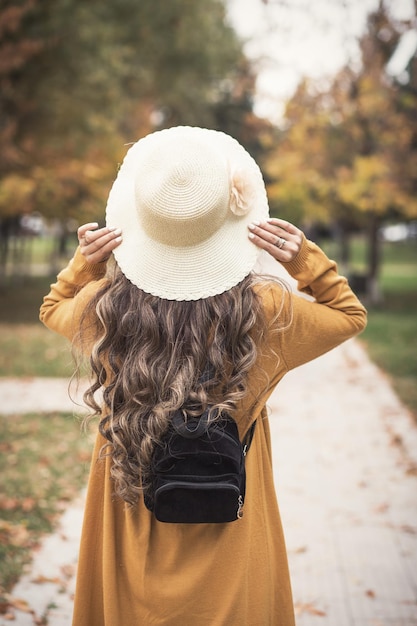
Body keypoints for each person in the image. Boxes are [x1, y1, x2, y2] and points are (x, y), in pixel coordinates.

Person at [40, 126, 367, 626]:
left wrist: (85, 265)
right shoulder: (268, 313)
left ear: (140, 225)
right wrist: (305, 260)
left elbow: (52, 307)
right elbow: (348, 315)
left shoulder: (105, 312)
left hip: (129, 524)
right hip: (229, 536)